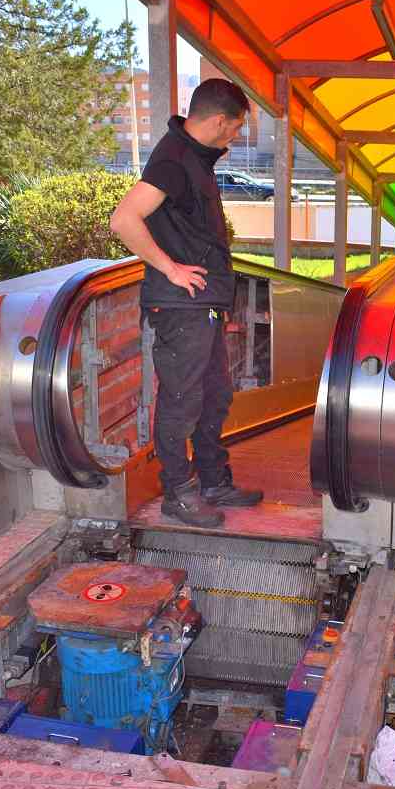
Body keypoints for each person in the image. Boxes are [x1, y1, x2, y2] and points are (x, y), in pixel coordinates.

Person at [110, 78, 263, 528]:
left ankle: (214, 480)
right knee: (181, 400)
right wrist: (170, 268)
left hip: (204, 303)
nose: (234, 138)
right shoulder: (174, 159)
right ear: (217, 121)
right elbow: (124, 218)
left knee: (215, 395)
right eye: (234, 129)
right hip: (181, 307)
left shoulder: (195, 158)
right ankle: (178, 493)